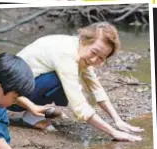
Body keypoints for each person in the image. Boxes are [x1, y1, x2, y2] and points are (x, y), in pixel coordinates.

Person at [8, 21, 144, 141]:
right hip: (10, 97)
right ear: (84, 40)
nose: (94, 60)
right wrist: (113, 132)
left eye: (101, 58)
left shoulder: (79, 50)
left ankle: (34, 110)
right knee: (61, 81)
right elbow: (79, 105)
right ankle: (32, 117)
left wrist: (118, 121)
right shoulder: (67, 54)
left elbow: (96, 88)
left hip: (23, 90)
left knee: (65, 82)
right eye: (94, 52)